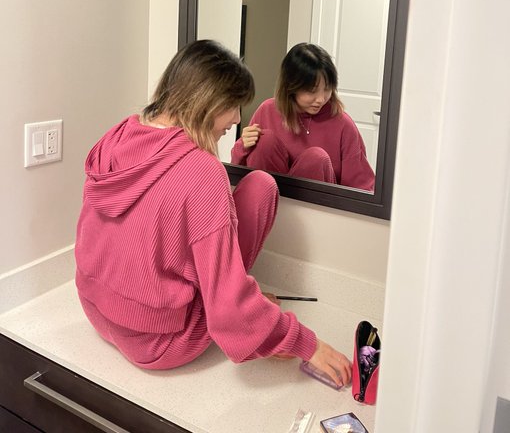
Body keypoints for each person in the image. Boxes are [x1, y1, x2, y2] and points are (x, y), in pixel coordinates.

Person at [75, 39, 351, 387]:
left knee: (258, 186)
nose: (237, 119)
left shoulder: (117, 135)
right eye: (234, 106)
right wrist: (305, 343)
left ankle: (248, 306)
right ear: (208, 100)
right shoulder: (202, 171)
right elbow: (228, 306)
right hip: (159, 345)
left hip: (95, 310)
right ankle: (249, 311)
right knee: (259, 192)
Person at [231, 43, 375, 190]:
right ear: (291, 87)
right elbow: (237, 169)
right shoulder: (267, 111)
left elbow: (363, 188)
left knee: (316, 158)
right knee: (264, 141)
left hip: (318, 209)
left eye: (327, 89)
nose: (320, 99)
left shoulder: (343, 125)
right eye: (312, 91)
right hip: (271, 202)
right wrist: (243, 145)